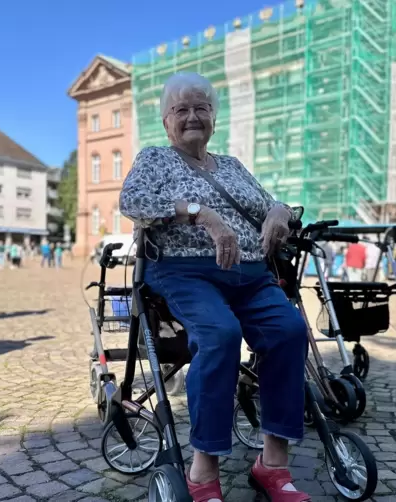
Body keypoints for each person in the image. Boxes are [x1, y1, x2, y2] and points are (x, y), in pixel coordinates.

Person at [120, 72, 311, 502]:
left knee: (289, 331)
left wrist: (279, 212)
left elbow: (268, 202)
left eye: (201, 108)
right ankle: (203, 472)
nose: (192, 116)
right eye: (181, 109)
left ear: (213, 118)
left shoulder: (231, 166)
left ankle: (272, 465)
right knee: (220, 335)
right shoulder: (154, 159)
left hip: (249, 273)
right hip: (183, 271)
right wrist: (200, 213)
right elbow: (132, 203)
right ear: (167, 120)